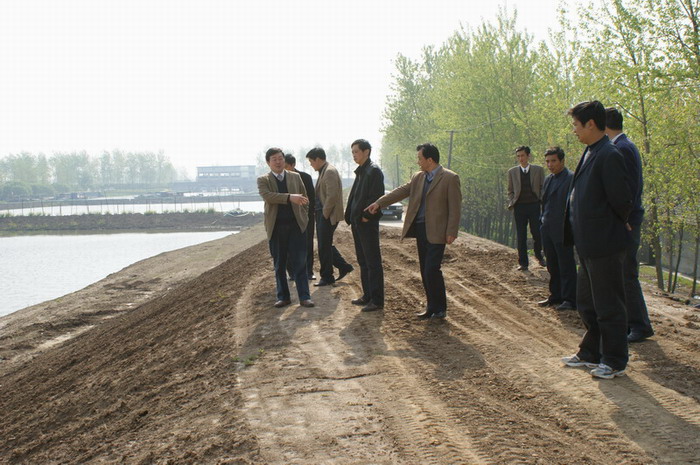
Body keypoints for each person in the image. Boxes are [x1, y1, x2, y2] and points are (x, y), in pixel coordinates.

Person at [562, 101, 633, 379]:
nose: (574, 130)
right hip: (588, 244)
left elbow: (622, 200)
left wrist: (613, 225)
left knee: (608, 306)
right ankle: (591, 352)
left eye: (576, 125)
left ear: (590, 124)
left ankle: (614, 360)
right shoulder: (591, 151)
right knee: (587, 303)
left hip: (605, 244)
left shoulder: (610, 154)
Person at [366, 143, 461, 319]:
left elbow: (455, 207)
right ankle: (431, 307)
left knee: (432, 269)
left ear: (430, 160)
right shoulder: (418, 177)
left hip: (438, 231)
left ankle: (440, 308)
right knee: (425, 269)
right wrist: (379, 203)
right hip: (420, 229)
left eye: (420, 158)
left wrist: (452, 230)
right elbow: (401, 192)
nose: (418, 162)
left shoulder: (450, 178)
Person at [606, 107, 654, 343]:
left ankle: (639, 325)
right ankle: (629, 323)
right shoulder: (623, 146)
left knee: (627, 274)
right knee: (622, 273)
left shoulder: (622, 148)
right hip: (627, 220)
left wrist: (624, 219)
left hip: (628, 222)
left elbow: (631, 188)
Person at [257, 147, 314, 308]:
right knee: (279, 264)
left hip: (296, 226)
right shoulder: (263, 180)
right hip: (276, 227)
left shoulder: (295, 177)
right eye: (274, 159)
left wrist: (304, 217)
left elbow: (305, 199)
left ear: (284, 160)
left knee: (300, 262)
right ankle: (283, 297)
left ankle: (305, 297)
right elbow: (268, 196)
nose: (278, 162)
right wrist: (290, 197)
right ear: (268, 162)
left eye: (280, 158)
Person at [345, 139, 385, 312]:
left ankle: (377, 300)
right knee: (363, 261)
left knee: (372, 262)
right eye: (352, 152)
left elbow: (376, 197)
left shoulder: (373, 171)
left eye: (356, 152)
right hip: (358, 223)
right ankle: (367, 295)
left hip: (367, 224)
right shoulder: (362, 171)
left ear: (366, 152)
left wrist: (366, 217)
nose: (354, 155)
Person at [305, 147, 354, 286]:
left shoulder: (329, 171)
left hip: (327, 215)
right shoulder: (324, 170)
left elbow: (332, 196)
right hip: (323, 214)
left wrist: (324, 215)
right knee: (325, 245)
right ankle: (344, 267)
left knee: (323, 247)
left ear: (318, 159)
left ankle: (327, 276)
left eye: (311, 161)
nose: (311, 165)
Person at [538, 146, 576, 311]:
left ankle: (570, 298)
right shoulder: (548, 179)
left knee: (566, 264)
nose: (550, 164)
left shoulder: (571, 178)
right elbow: (544, 202)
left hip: (563, 229)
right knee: (552, 264)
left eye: (553, 161)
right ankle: (555, 295)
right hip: (547, 227)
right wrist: (542, 221)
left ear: (562, 161)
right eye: (547, 161)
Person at [507, 146, 546, 271]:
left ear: (528, 156)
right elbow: (510, 190)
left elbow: (542, 187)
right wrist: (512, 201)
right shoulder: (512, 172)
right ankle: (523, 263)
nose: (520, 158)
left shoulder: (538, 170)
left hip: (534, 205)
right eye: (518, 156)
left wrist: (541, 200)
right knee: (521, 235)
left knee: (537, 233)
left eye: (522, 155)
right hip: (519, 207)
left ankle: (539, 255)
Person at [285, 154, 316, 280]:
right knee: (288, 245)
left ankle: (309, 271)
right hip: (288, 217)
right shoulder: (280, 179)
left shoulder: (305, 177)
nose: (284, 169)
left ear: (293, 165)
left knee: (307, 243)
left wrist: (308, 215)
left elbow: (311, 198)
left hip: (305, 216)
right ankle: (292, 272)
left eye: (286, 166)